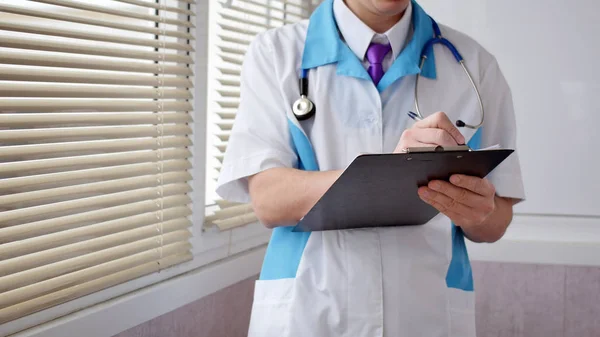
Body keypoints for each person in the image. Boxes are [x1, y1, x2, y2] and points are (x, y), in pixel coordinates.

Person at [216, 0, 525, 336]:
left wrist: (477, 211)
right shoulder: (275, 54)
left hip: (425, 311)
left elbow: (496, 222)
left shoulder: (474, 65)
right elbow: (268, 199)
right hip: (308, 311)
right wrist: (388, 174)